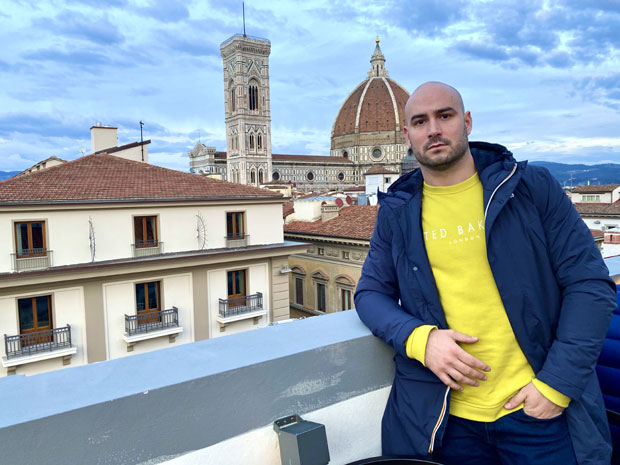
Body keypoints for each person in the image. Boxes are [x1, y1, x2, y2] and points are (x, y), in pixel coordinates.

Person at [354, 81, 617, 465]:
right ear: (407, 136)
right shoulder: (397, 210)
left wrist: (556, 386)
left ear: (467, 122)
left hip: (537, 411)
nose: (434, 130)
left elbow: (589, 284)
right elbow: (369, 294)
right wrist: (419, 340)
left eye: (445, 116)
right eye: (421, 121)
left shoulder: (531, 188)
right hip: (447, 421)